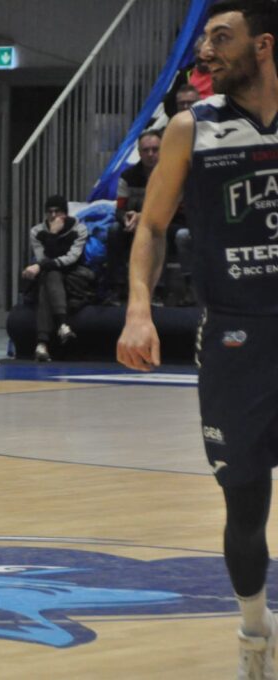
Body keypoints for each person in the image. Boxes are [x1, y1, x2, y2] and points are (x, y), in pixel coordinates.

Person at [117, 3, 278, 677]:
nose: (205, 51)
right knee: (246, 504)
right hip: (238, 336)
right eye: (205, 37)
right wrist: (138, 311)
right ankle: (254, 635)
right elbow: (151, 227)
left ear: (263, 46)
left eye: (221, 38)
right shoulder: (191, 129)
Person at [23, 195, 93, 362]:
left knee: (48, 275)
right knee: (50, 274)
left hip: (73, 274)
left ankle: (42, 343)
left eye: (58, 211)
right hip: (50, 273)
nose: (54, 216)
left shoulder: (79, 229)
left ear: (66, 213)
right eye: (50, 212)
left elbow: (71, 258)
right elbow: (43, 257)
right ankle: (62, 326)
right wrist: (52, 235)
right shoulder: (37, 231)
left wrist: (42, 265)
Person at [108, 130, 161, 301]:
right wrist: (125, 217)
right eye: (146, 150)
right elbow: (119, 209)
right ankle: (117, 287)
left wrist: (143, 218)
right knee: (114, 230)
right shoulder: (127, 176)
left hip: (165, 224)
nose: (150, 154)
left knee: (158, 232)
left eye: (155, 149)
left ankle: (158, 289)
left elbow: (177, 209)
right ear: (139, 152)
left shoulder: (171, 173)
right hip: (134, 225)